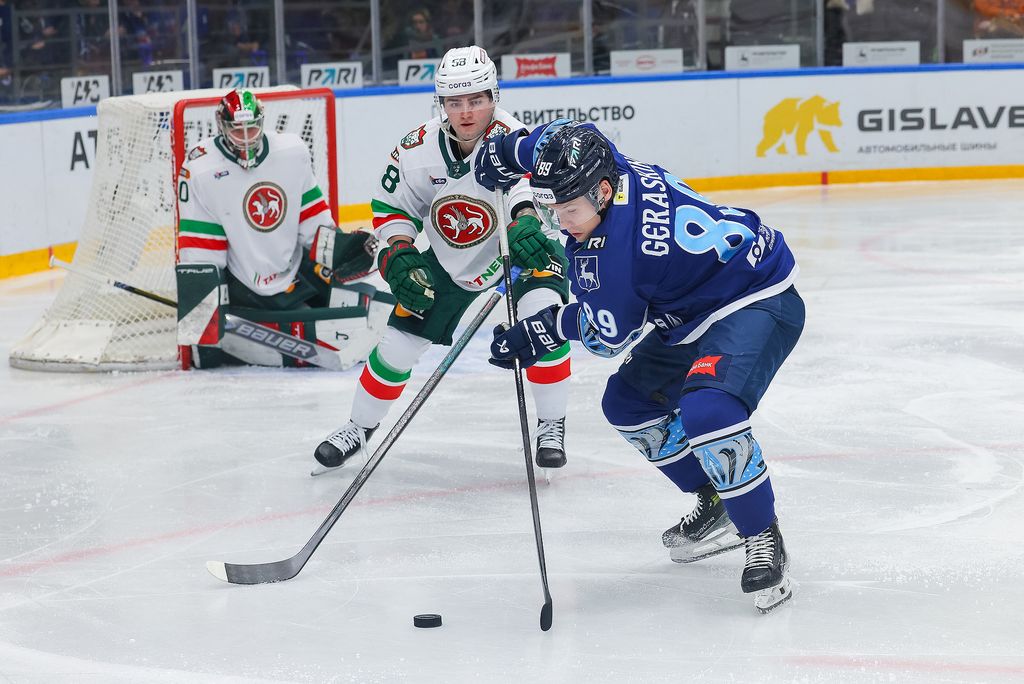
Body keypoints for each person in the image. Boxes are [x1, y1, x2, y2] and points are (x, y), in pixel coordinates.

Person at [475, 120, 804, 613]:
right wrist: (506, 150)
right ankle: (718, 500)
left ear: (602, 193)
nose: (560, 223)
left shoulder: (618, 259)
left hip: (754, 297)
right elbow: (556, 138)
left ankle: (761, 534)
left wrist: (540, 330)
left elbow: (607, 336)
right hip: (692, 307)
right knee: (627, 404)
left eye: (569, 211)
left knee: (709, 412)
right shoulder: (604, 163)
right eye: (552, 209)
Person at [314, 46, 572, 475]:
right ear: (441, 103)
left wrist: (526, 219)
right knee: (398, 343)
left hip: (523, 249)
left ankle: (551, 423)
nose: (466, 112)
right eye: (455, 101)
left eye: (476, 99)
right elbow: (394, 207)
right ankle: (358, 427)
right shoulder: (416, 149)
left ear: (493, 97)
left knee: (542, 319)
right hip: (455, 256)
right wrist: (399, 251)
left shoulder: (516, 138)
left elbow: (529, 192)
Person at [176, 89, 391, 371]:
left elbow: (311, 218)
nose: (246, 137)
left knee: (371, 301)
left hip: (295, 267)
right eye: (237, 130)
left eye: (252, 128)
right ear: (222, 126)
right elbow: (202, 248)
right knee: (325, 326)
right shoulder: (202, 168)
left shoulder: (291, 152)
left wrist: (339, 249)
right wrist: (204, 311)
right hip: (246, 284)